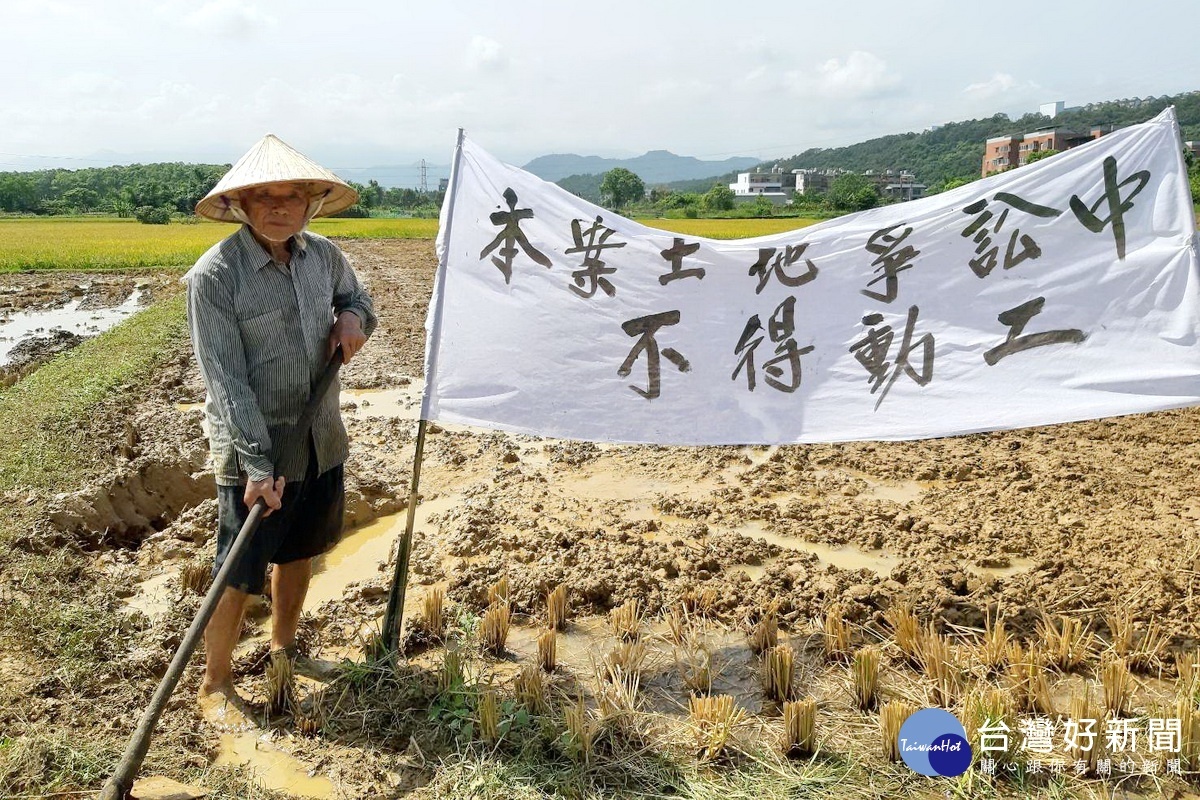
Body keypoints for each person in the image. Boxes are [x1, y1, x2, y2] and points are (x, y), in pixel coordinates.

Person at [185, 134, 376, 718]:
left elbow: (359, 300)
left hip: (320, 438)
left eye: (291, 196)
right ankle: (216, 681)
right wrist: (259, 465)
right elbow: (225, 378)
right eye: (262, 196)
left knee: (300, 552)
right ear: (240, 204)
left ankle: (283, 648)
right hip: (254, 452)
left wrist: (351, 318)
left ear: (310, 203)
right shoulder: (215, 275)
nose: (277, 206)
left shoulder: (324, 256)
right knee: (237, 571)